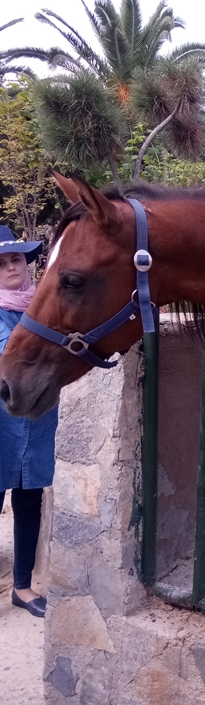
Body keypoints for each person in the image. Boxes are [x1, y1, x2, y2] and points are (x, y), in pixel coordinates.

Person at [0, 226, 58, 618]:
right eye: (1, 263)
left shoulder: (43, 304)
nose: (10, 268)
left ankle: (22, 587)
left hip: (37, 419)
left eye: (16, 259)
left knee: (29, 501)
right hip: (2, 423)